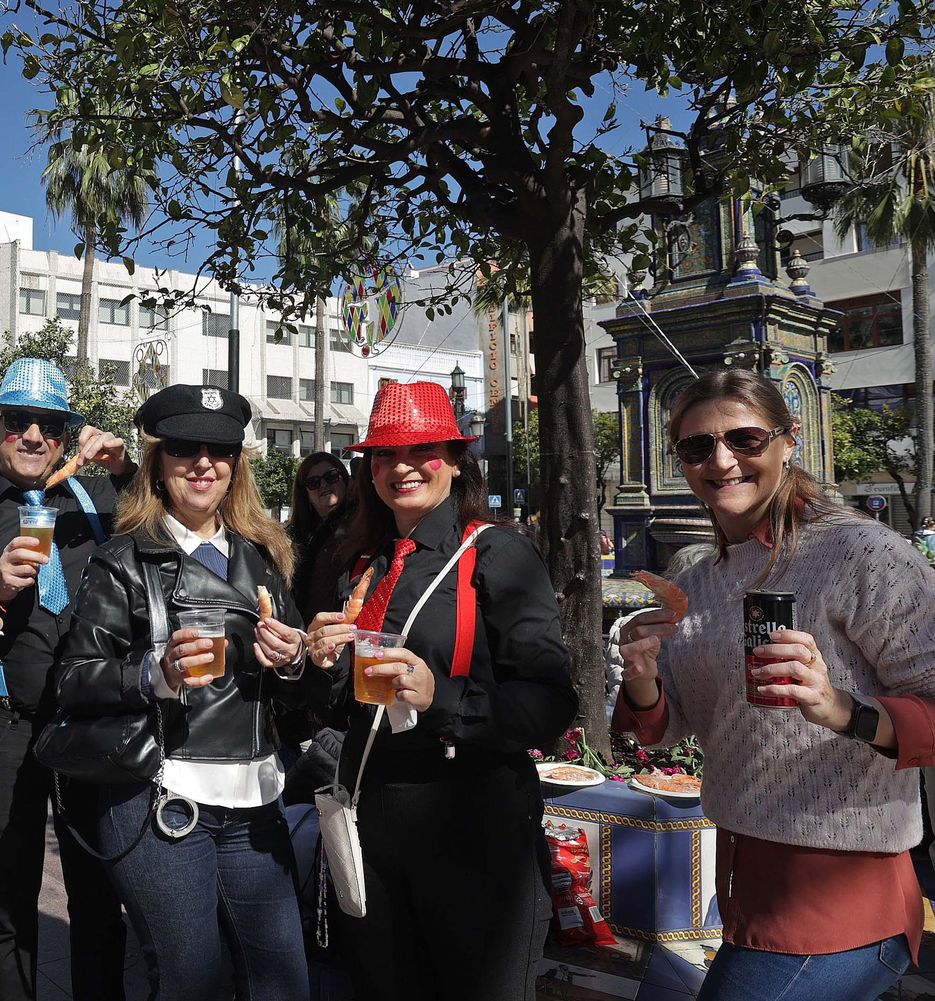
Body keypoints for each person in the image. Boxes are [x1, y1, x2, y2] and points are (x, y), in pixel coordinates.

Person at [613, 369, 935, 1001]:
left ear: (788, 441)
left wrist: (841, 708)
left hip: (844, 902)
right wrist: (643, 679)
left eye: (745, 439)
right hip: (739, 888)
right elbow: (669, 727)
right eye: (696, 447)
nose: (721, 460)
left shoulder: (861, 553)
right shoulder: (700, 575)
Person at [305, 381, 575, 1000]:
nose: (400, 466)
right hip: (369, 820)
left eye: (421, 449)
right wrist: (316, 663)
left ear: (455, 460)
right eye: (382, 455)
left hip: (469, 824)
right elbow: (341, 706)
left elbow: (551, 702)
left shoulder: (497, 553)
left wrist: (443, 697)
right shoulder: (364, 562)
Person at [57, 383, 316, 1001]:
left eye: (220, 450)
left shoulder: (267, 558)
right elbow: (72, 679)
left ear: (236, 467)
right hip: (162, 800)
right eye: (183, 449)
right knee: (187, 981)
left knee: (283, 981)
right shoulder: (122, 560)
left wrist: (298, 660)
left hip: (257, 801)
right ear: (158, 462)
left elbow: (296, 693)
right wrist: (156, 672)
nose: (203, 463)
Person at [0, 357, 132, 1001]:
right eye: (19, 422)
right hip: (2, 719)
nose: (34, 437)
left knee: (98, 889)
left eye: (49, 424)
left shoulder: (99, 500)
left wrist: (124, 464)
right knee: (8, 893)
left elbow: (169, 511)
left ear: (67, 434)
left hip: (88, 718)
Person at [287, 451, 352, 624]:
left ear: (345, 480)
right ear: (305, 494)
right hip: (304, 635)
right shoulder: (293, 539)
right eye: (313, 482)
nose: (323, 485)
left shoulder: (363, 527)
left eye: (331, 476)